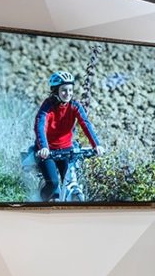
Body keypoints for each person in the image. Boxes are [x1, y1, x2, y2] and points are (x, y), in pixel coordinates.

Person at [33, 71, 104, 200]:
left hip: (66, 150)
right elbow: (40, 126)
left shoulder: (74, 106)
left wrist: (96, 145)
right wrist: (43, 147)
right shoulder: (48, 106)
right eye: (64, 90)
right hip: (47, 151)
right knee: (53, 183)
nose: (68, 93)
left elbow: (85, 124)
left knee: (70, 182)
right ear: (56, 91)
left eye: (70, 90)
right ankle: (39, 202)